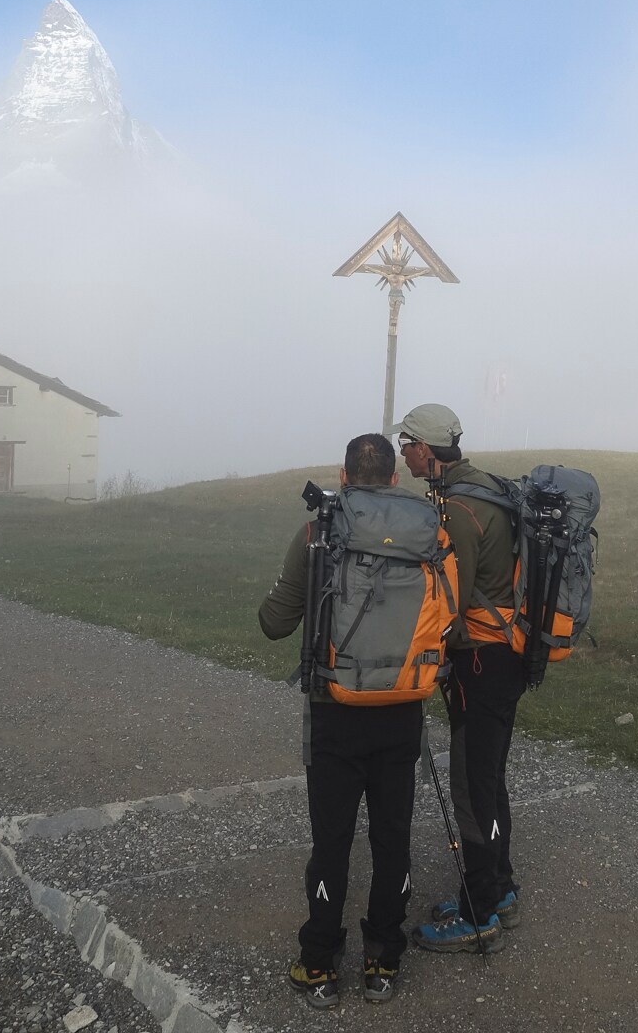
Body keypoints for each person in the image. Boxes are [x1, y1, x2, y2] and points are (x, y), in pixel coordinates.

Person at [259, 431, 421, 1008]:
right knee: (392, 838)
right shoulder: (428, 533)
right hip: (403, 706)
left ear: (345, 476)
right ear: (396, 480)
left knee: (331, 841)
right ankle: (382, 960)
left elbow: (274, 623)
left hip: (335, 711)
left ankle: (320, 966)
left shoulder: (316, 533)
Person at [396, 403, 525, 954]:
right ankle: (500, 890)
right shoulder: (487, 489)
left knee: (473, 787)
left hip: (480, 661)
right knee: (489, 775)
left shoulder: (458, 508)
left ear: (426, 448)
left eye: (406, 444)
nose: (403, 454)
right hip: (507, 653)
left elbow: (449, 598)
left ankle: (478, 913)